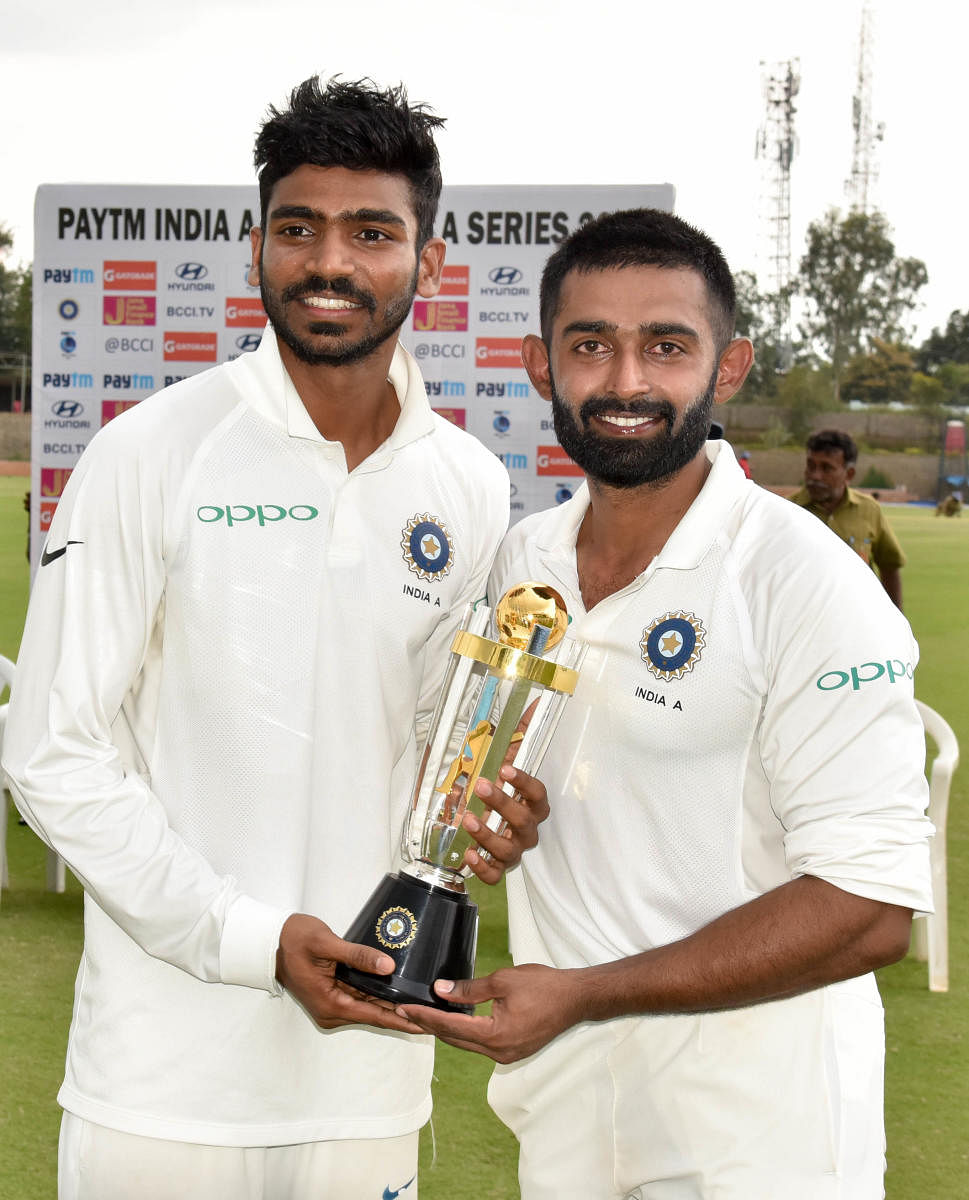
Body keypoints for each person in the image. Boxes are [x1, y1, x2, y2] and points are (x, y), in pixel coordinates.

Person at [2, 76, 549, 1200]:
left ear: (431, 265)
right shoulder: (150, 453)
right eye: (298, 228)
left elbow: (450, 748)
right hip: (163, 1084)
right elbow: (51, 752)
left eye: (372, 232)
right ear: (258, 247)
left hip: (368, 1078)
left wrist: (498, 813)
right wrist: (251, 940)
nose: (329, 261)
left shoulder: (470, 487)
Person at [399, 209, 933, 1199]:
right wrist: (505, 823)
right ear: (539, 364)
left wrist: (584, 997)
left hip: (754, 1144)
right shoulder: (526, 561)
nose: (627, 382)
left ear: (728, 369)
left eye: (667, 346)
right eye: (590, 345)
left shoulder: (800, 578)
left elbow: (868, 912)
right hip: (566, 1120)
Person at [790, 429, 905, 609]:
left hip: (858, 618)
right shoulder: (788, 510)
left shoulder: (869, 509)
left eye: (826, 468)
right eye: (811, 466)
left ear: (849, 474)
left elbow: (889, 565)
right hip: (802, 619)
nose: (815, 475)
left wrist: (898, 623)